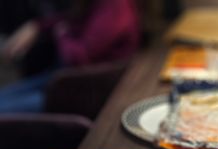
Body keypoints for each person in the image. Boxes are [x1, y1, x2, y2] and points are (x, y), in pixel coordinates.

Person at [0, 0, 140, 113]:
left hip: (83, 90)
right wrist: (37, 26)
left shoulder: (115, 6)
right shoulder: (98, 5)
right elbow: (70, 21)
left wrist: (62, 34)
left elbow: (77, 57)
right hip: (64, 79)